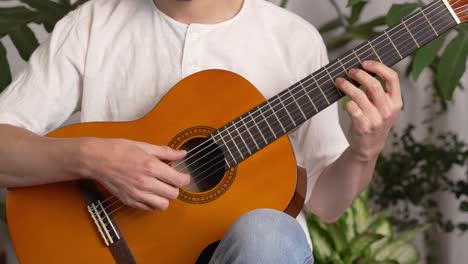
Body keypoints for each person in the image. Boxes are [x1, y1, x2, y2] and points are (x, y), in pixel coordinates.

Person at [0, 0, 402, 263]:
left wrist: (365, 151)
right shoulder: (92, 25)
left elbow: (325, 204)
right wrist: (93, 158)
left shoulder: (293, 40)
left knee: (269, 232)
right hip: (117, 249)